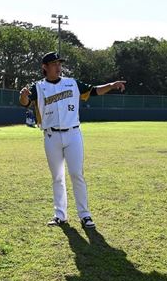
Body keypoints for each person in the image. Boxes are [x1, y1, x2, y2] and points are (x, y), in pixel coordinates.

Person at [18, 52, 126, 228]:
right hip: (51, 136)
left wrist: (112, 85)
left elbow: (94, 90)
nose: (58, 66)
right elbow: (25, 102)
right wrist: (23, 96)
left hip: (73, 134)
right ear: (45, 67)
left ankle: (85, 215)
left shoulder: (72, 83)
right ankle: (60, 215)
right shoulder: (38, 87)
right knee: (57, 177)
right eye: (54, 64)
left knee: (77, 174)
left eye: (59, 63)